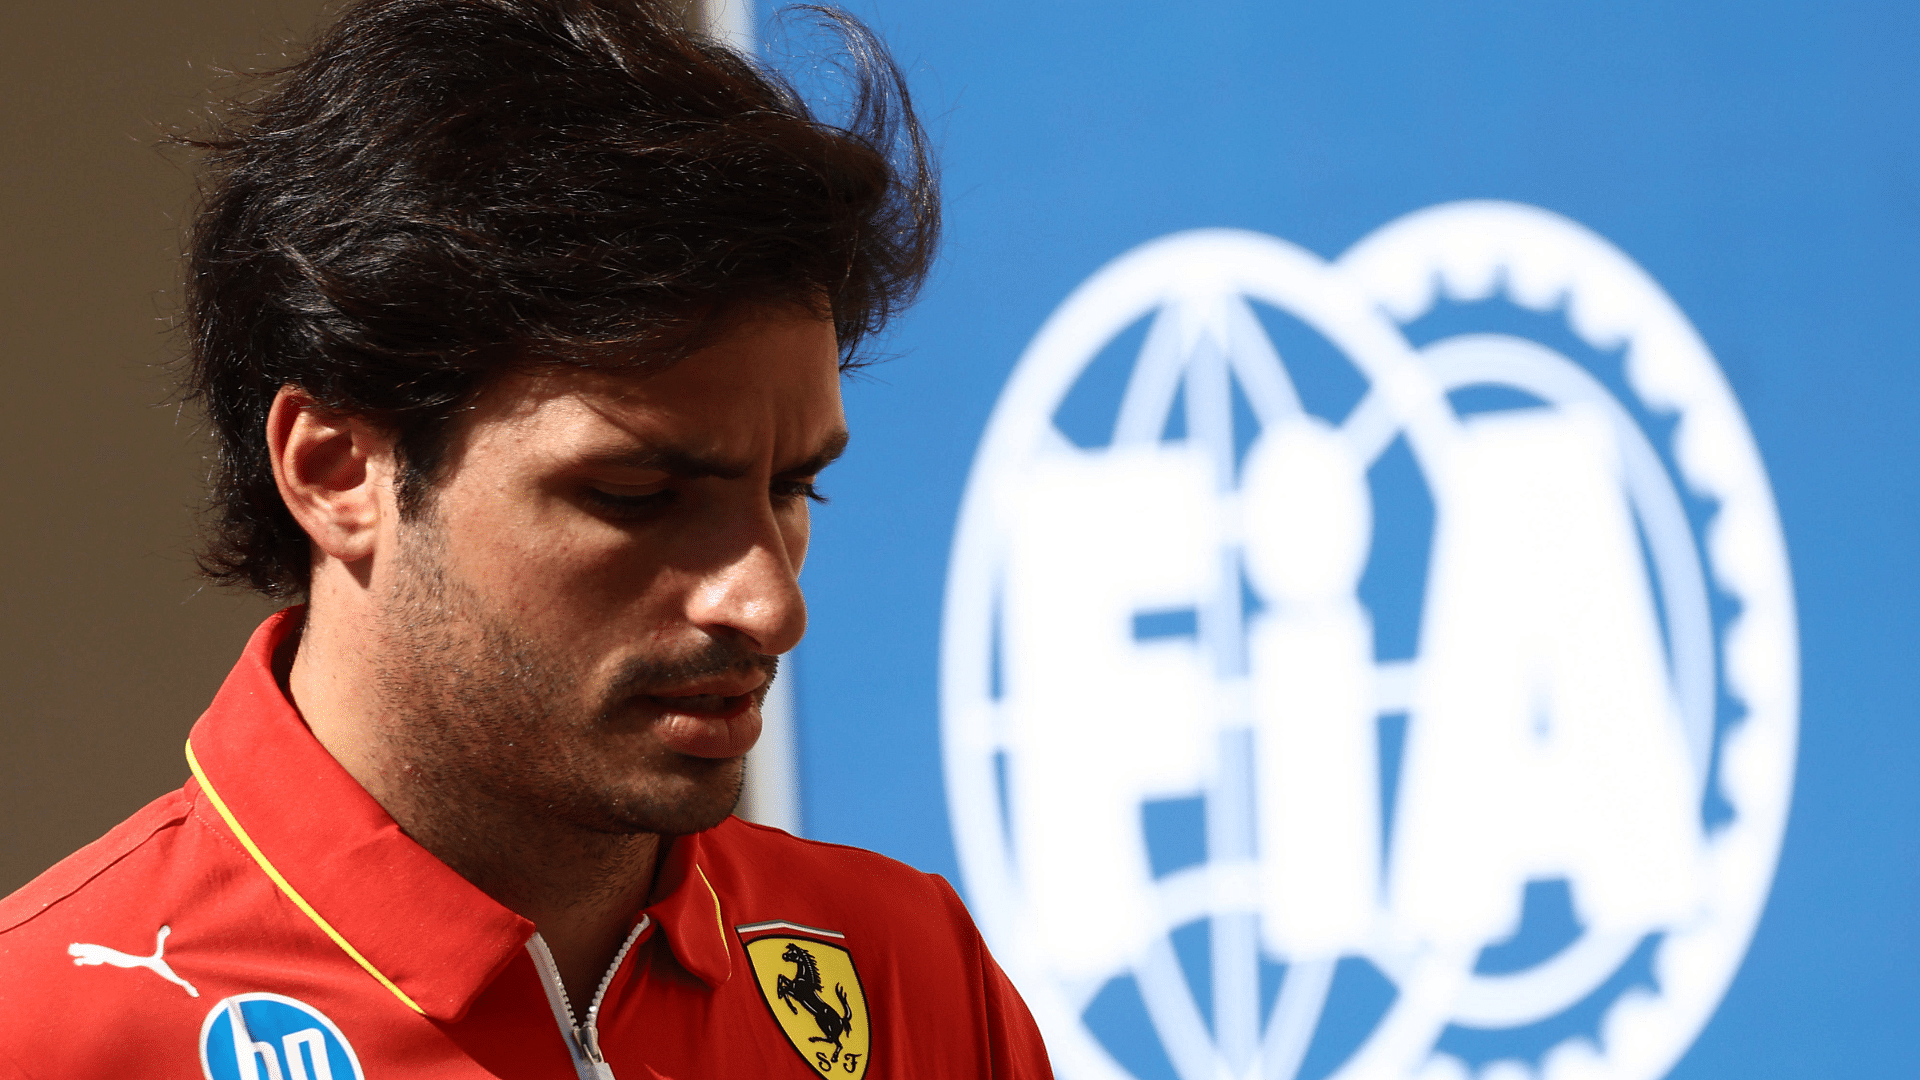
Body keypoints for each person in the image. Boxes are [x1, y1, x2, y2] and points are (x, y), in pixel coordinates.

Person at [0, 1, 1052, 1076]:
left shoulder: (911, 971)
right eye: (636, 493)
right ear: (334, 471)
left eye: (794, 489)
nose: (767, 605)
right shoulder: (48, 1032)